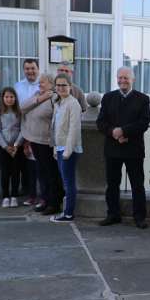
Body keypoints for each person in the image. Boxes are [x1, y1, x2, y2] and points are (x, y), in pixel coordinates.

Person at [96, 66, 150, 228]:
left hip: (133, 148)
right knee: (112, 184)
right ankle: (113, 214)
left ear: (133, 79)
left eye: (126, 78)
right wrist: (114, 132)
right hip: (112, 148)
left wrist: (124, 132)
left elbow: (144, 123)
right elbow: (101, 122)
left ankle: (139, 217)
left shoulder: (143, 99)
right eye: (120, 77)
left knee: (137, 185)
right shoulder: (107, 97)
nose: (122, 80)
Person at [22, 73, 62, 214]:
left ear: (51, 84)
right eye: (39, 82)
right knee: (42, 172)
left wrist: (47, 97)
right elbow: (22, 108)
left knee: (51, 173)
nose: (40, 85)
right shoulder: (37, 95)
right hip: (34, 140)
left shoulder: (55, 98)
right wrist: (40, 98)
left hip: (47, 142)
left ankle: (54, 203)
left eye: (43, 82)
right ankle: (45, 200)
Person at [50, 74, 83, 222]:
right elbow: (55, 128)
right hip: (60, 147)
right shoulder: (59, 103)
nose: (61, 88)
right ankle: (67, 211)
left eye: (64, 85)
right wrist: (55, 148)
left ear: (70, 86)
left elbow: (74, 129)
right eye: (58, 85)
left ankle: (68, 213)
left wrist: (68, 151)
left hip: (69, 149)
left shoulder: (73, 103)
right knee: (65, 182)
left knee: (69, 183)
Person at [14, 58, 42, 203]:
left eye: (33, 68)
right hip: (22, 127)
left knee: (39, 162)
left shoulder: (43, 85)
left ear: (38, 69)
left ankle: (41, 194)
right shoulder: (18, 86)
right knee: (25, 162)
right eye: (27, 68)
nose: (30, 71)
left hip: (39, 128)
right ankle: (28, 192)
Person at [0, 86, 24, 207]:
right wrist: (5, 146)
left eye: (11, 97)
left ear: (15, 98)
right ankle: (5, 196)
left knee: (16, 172)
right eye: (7, 97)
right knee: (5, 172)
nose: (9, 99)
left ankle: (14, 196)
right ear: (3, 98)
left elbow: (22, 129)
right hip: (3, 147)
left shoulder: (19, 112)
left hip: (17, 147)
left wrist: (16, 145)